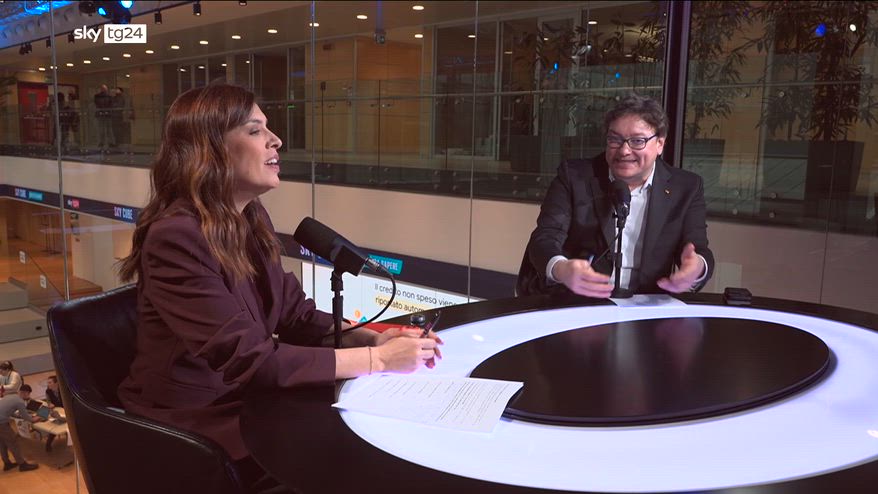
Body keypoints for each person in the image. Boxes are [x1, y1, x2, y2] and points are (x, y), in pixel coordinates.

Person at [116, 84, 442, 491]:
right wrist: (379, 361)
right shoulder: (175, 238)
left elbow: (295, 315)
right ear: (210, 150)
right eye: (255, 131)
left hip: (245, 399)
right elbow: (252, 360)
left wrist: (372, 340)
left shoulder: (250, 218)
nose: (276, 140)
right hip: (195, 421)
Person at [517, 93, 714, 297]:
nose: (624, 150)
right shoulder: (574, 176)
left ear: (660, 144)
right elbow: (545, 237)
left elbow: (699, 250)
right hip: (578, 301)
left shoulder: (686, 187)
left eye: (637, 141)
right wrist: (561, 269)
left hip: (646, 304)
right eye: (615, 139)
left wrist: (695, 268)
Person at [0, 385, 40, 472]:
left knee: (2, 443)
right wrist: (34, 419)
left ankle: (7, 463)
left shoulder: (10, 396)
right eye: (28, 394)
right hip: (2, 423)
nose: (29, 396)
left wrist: (17, 416)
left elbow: (7, 410)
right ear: (25, 393)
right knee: (13, 442)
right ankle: (22, 465)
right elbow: (26, 417)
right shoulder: (20, 401)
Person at [43, 376, 63, 452]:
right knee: (54, 425)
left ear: (56, 383)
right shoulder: (48, 391)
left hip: (65, 411)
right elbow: (48, 401)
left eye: (50, 382)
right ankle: (48, 444)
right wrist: (49, 404)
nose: (48, 384)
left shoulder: (63, 389)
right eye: (47, 383)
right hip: (57, 411)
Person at [94, 84, 115, 151]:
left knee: (108, 129)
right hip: (102, 114)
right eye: (104, 89)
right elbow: (97, 104)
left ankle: (109, 142)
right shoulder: (98, 96)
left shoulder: (108, 96)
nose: (104, 90)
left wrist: (107, 111)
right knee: (102, 129)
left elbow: (111, 105)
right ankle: (102, 142)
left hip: (106, 114)